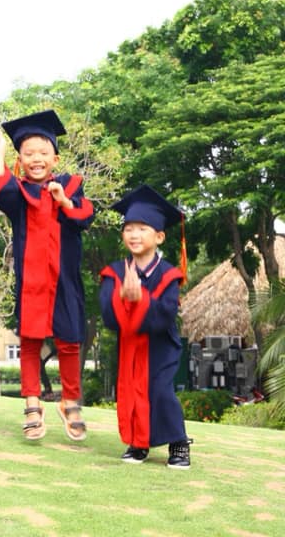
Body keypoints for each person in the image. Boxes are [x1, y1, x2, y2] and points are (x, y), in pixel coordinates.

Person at [0, 109, 94, 441]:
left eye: (43, 153)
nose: (36, 159)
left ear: (55, 159)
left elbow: (85, 217)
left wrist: (64, 201)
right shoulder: (19, 195)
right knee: (30, 341)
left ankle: (70, 401)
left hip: (64, 280)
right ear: (20, 160)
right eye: (29, 153)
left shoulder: (71, 187)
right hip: (31, 281)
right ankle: (32, 403)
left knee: (70, 341)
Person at [99, 184, 193, 468]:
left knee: (160, 391)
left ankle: (179, 443)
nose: (134, 234)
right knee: (132, 392)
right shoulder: (114, 272)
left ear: (159, 236)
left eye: (142, 228)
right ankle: (139, 443)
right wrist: (123, 298)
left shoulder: (169, 275)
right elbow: (108, 316)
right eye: (128, 228)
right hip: (130, 344)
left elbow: (165, 316)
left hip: (161, 346)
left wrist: (141, 299)